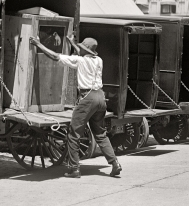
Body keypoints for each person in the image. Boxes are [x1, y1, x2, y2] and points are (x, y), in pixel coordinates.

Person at [30, 34, 122, 179]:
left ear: (85, 50)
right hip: (100, 98)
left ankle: (74, 169)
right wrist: (72, 43)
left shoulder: (80, 60)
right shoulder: (99, 60)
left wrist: (38, 44)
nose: (79, 49)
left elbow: (56, 57)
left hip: (87, 98)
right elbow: (82, 55)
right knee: (100, 134)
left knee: (73, 135)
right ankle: (115, 163)